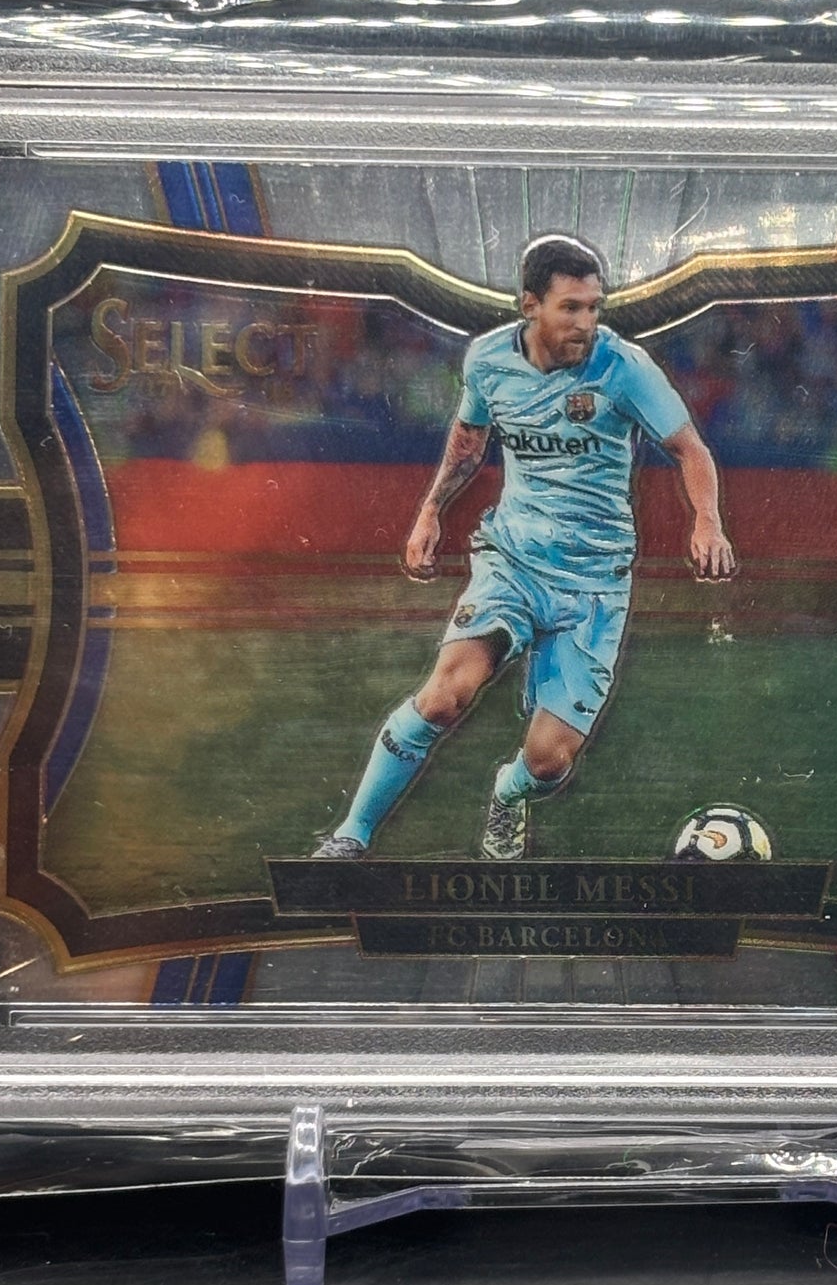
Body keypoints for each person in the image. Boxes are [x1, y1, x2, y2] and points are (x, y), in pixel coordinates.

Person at [315, 234, 734, 863]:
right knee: (444, 696)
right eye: (571, 307)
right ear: (530, 305)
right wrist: (430, 511)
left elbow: (689, 449)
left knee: (547, 761)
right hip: (512, 561)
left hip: (593, 582)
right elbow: (468, 441)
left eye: (594, 307)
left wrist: (708, 520)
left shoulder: (625, 368)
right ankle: (351, 837)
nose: (586, 322)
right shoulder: (487, 361)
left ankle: (508, 795)